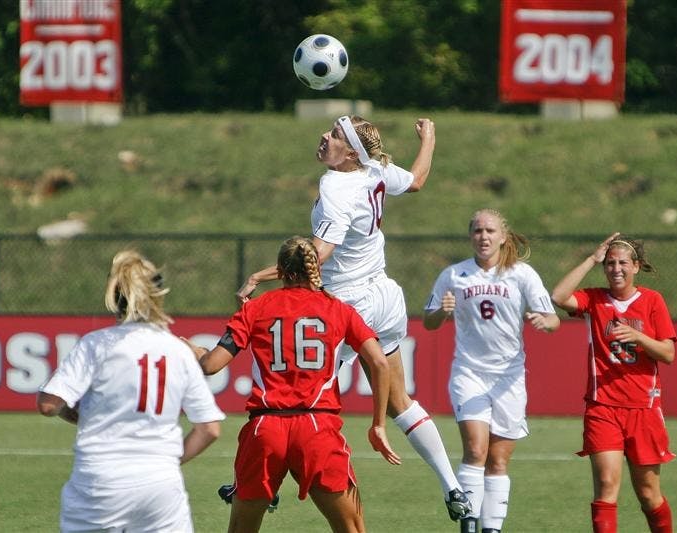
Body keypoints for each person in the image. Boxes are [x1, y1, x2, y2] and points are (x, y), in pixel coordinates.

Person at [235, 115, 472, 521]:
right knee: (400, 401)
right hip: (385, 295)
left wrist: (262, 274)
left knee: (283, 383)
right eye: (329, 129)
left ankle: (264, 481)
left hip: (347, 304)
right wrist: (430, 139)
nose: (324, 136)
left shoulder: (335, 186)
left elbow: (318, 255)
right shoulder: (373, 170)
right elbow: (415, 181)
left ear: (350, 154)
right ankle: (454, 489)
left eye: (336, 136)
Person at [189, 236, 400, 533]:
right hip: (317, 430)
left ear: (280, 270)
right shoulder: (338, 309)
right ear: (316, 267)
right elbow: (379, 363)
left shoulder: (255, 308)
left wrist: (194, 352)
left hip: (265, 430)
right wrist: (378, 424)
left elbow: (211, 365)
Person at [37, 249, 225, 533]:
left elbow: (49, 404)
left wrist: (78, 414)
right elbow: (209, 429)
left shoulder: (95, 344)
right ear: (157, 296)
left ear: (115, 298)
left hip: (100, 480)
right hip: (160, 483)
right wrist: (168, 463)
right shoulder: (178, 349)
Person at [423, 208, 561, 533]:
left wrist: (546, 322)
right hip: (469, 373)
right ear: (470, 236)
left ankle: (492, 529)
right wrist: (441, 313)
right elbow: (429, 322)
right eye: (477, 231)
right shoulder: (454, 274)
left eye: (489, 231)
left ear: (502, 236)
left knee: (498, 461)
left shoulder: (521, 274)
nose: (483, 237)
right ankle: (469, 524)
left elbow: (553, 318)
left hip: (509, 378)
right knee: (475, 449)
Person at [551, 233, 676, 533]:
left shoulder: (652, 301)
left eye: (622, 263)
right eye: (609, 263)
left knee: (648, 495)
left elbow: (668, 353)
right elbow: (557, 297)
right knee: (607, 486)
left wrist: (639, 338)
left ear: (635, 266)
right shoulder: (594, 299)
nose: (615, 269)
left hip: (643, 409)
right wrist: (591, 259)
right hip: (602, 407)